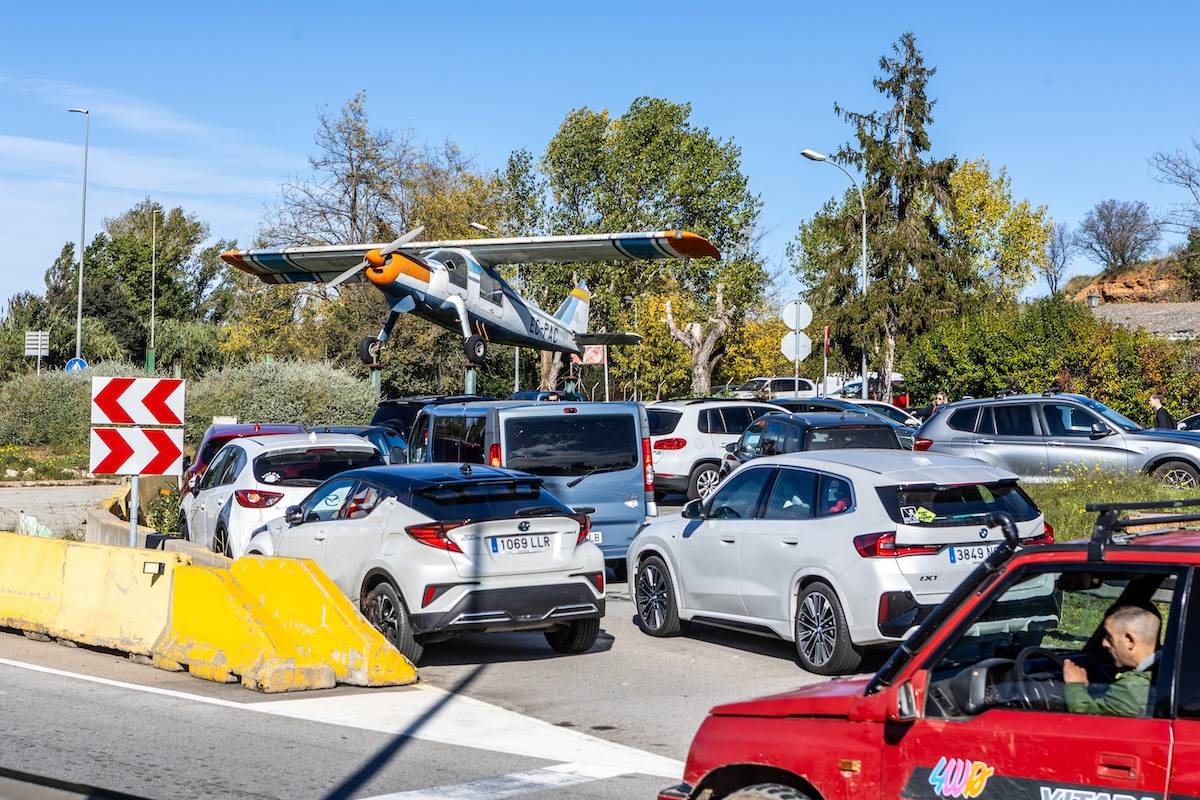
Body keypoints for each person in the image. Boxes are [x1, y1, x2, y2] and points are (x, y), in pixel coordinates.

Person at [1063, 605, 1160, 717]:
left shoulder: (1132, 687)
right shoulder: (1164, 669)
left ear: (1130, 641)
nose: (1104, 643)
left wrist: (1075, 685)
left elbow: (1089, 719)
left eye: (1109, 637)